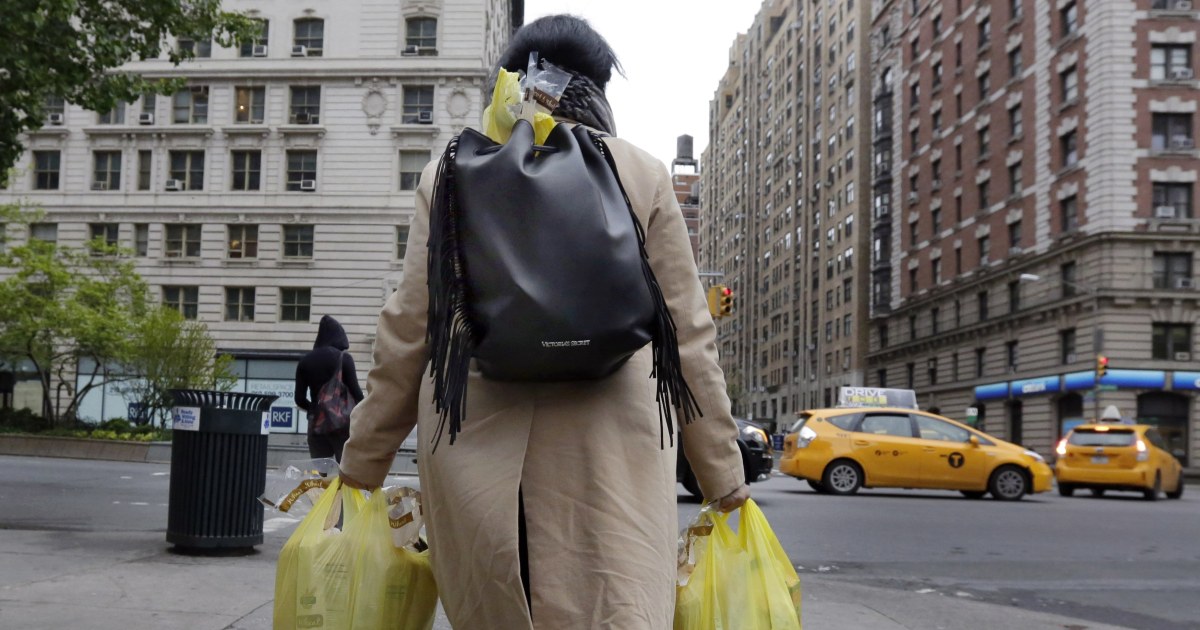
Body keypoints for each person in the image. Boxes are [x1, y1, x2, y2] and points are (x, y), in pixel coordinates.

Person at [338, 15, 749, 630]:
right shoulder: (640, 173)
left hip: (479, 459)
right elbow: (688, 338)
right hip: (609, 458)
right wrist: (724, 477)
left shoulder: (452, 172)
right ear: (601, 85)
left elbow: (409, 330)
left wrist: (362, 463)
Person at [294, 315, 364, 462]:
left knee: (321, 474)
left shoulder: (305, 361)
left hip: (317, 426)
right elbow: (357, 393)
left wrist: (316, 408)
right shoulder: (344, 359)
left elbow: (299, 399)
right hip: (342, 426)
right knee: (345, 470)